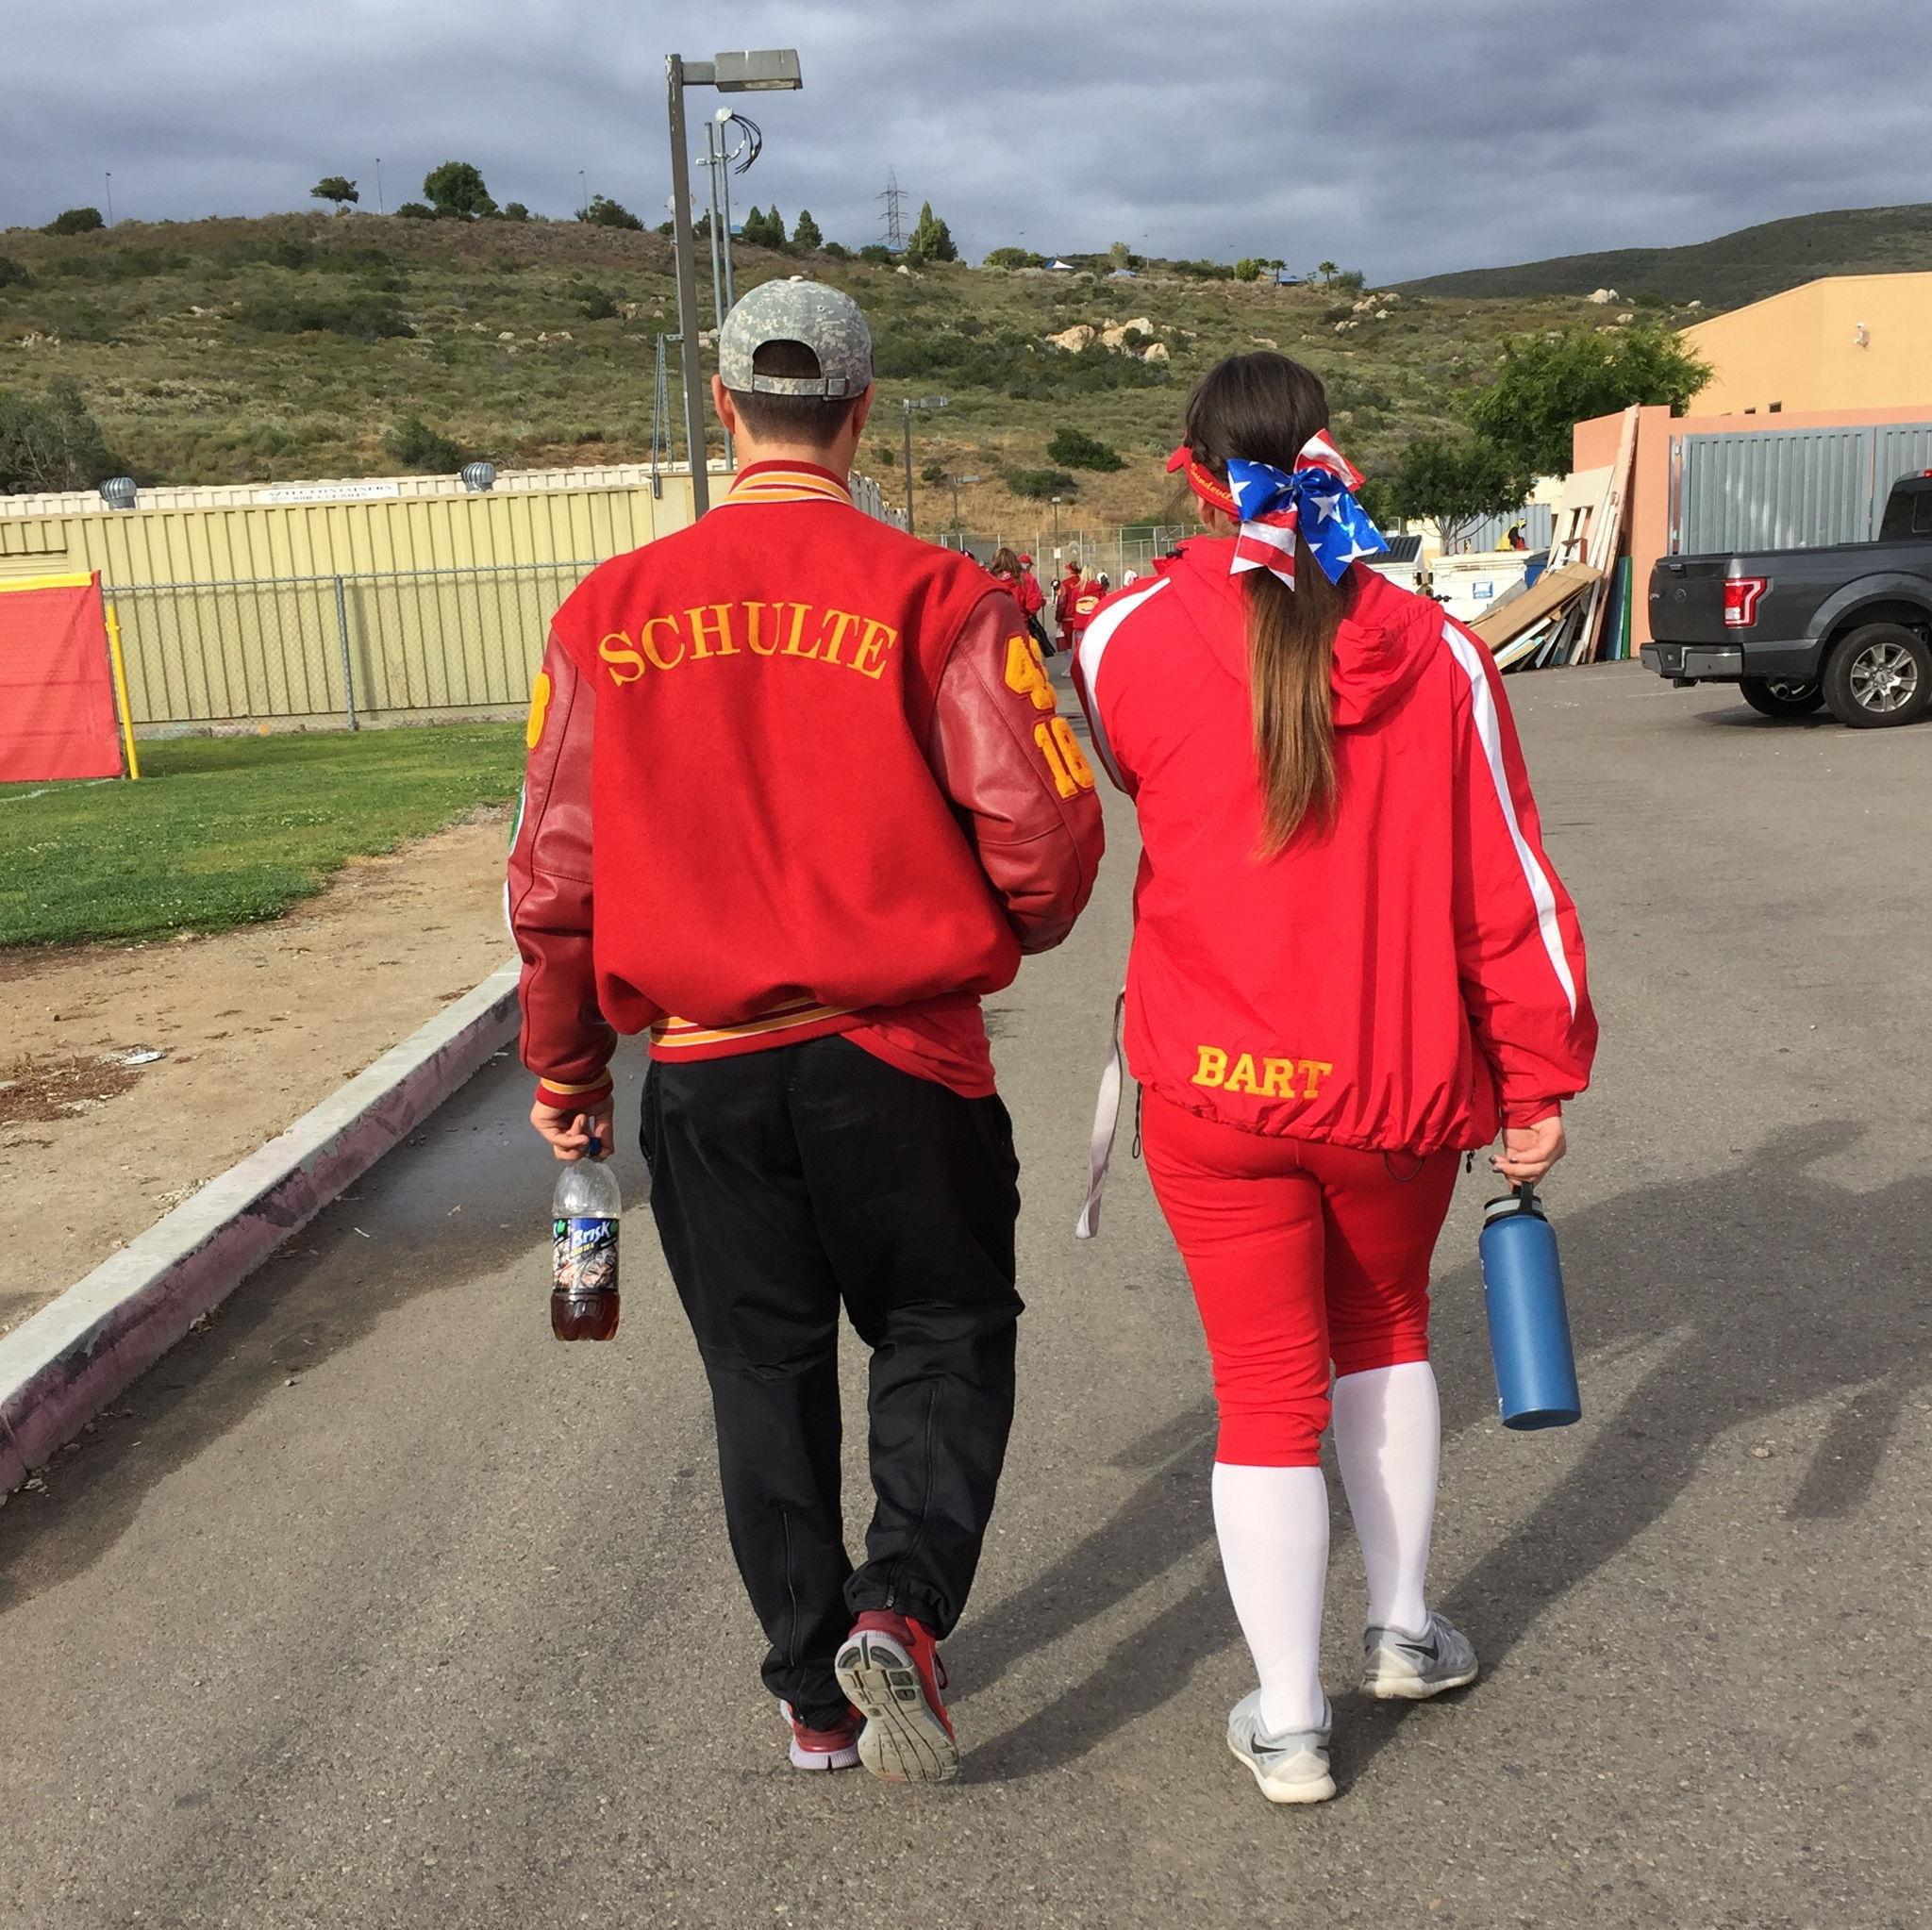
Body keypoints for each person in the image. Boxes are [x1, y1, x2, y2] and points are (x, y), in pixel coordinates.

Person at [508, 278, 1106, 1784]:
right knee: (944, 1326)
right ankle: (899, 1606)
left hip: (704, 1071)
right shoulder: (942, 597)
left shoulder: (602, 616)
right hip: (900, 1056)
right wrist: (976, 922)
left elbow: (554, 873)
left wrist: (567, 1069)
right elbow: (1045, 842)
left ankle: (813, 1690)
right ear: (859, 410)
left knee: (760, 1372)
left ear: (723, 407)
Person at [1071, 352, 1595, 1805]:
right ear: (1329, 458)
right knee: (1386, 1334)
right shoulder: (1441, 652)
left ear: (1193, 471)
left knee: (1260, 1391)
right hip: (1395, 1084)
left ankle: (1291, 1719)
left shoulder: (1118, 639)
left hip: (1211, 1086)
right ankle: (1405, 1626)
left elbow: (1142, 778)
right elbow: (1508, 887)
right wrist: (1536, 1078)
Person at [991, 544, 1053, 656]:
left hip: (995, 633)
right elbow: (1033, 605)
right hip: (1019, 630)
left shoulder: (989, 580)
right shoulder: (1024, 579)